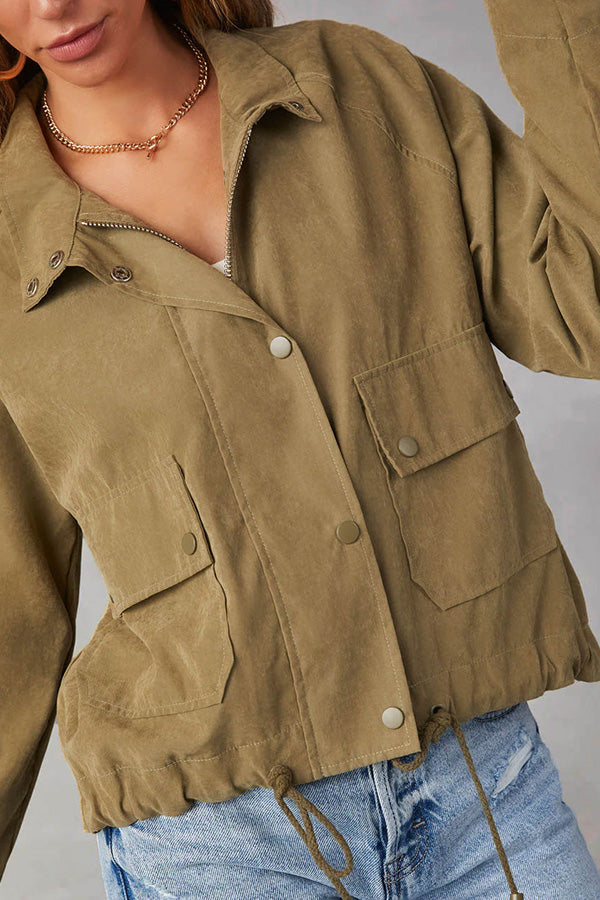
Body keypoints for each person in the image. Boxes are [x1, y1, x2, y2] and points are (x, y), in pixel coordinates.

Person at [0, 0, 599, 897]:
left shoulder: (357, 91)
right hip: (220, 842)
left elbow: (586, 302)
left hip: (486, 793)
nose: (52, 6)